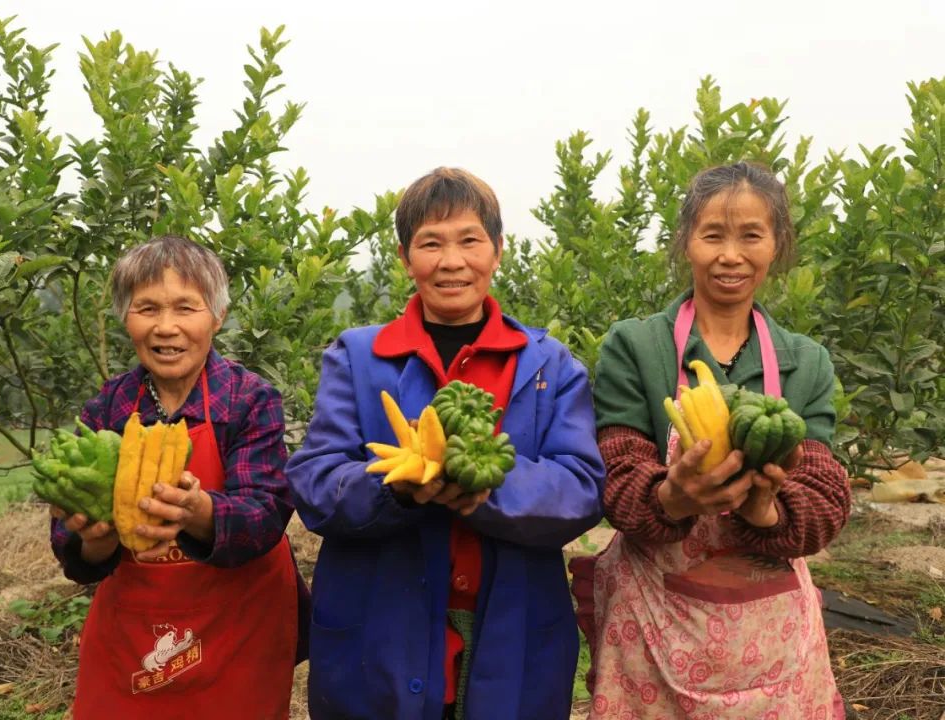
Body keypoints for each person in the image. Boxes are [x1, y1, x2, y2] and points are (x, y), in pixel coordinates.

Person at [286, 167, 605, 720]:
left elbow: (581, 487)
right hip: (382, 632)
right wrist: (400, 490)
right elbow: (316, 482)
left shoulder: (549, 365)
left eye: (470, 240)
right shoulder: (358, 358)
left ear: (498, 250)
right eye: (430, 243)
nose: (452, 261)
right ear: (407, 258)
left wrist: (486, 487)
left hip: (510, 628)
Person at [570, 162, 851, 718]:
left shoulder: (806, 362)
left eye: (751, 235)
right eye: (713, 235)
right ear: (686, 243)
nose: (731, 255)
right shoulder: (637, 347)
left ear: (777, 245)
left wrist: (766, 509)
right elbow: (619, 475)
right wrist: (673, 497)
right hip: (655, 626)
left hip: (773, 644)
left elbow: (825, 496)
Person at [49, 235, 305, 718]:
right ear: (126, 319)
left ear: (217, 315)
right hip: (135, 630)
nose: (167, 327)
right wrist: (97, 539)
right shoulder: (109, 408)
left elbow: (266, 513)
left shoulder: (248, 400)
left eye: (186, 308)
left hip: (239, 630)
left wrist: (200, 511)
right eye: (147, 308)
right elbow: (71, 546)